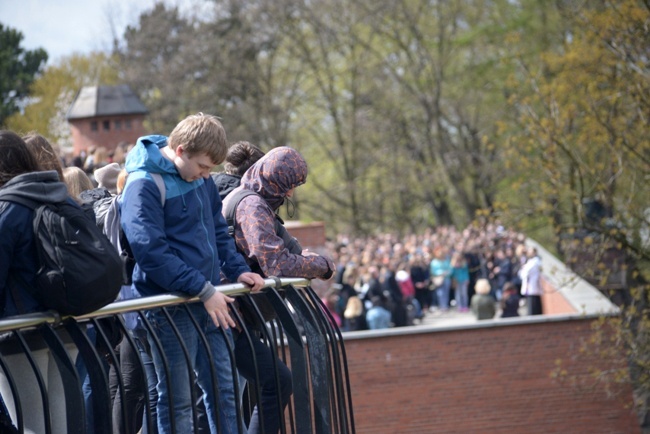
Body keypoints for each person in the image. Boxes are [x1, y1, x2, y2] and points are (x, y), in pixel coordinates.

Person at [119, 113, 265, 434]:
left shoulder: (201, 179)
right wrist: (203, 288)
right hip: (169, 308)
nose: (205, 176)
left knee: (225, 393)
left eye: (210, 169)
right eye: (202, 167)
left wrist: (239, 271)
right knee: (177, 401)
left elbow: (217, 231)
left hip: (209, 299)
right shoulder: (143, 184)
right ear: (181, 150)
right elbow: (151, 252)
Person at [223, 145, 335, 434]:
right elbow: (276, 264)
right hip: (229, 317)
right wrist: (320, 265)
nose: (289, 194)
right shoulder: (253, 205)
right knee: (278, 381)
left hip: (234, 315)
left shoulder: (250, 199)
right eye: (289, 186)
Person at [0, 130, 77, 433]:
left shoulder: (8, 208)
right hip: (66, 324)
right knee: (57, 422)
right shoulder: (60, 197)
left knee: (29, 423)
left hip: (19, 329)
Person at [519, 246, 543, 315]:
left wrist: (523, 269)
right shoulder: (530, 261)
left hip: (532, 288)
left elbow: (524, 272)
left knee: (532, 310)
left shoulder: (535, 262)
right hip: (531, 288)